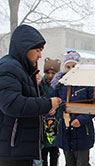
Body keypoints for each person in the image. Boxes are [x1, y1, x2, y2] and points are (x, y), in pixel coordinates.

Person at [0, 24, 62, 166]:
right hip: (11, 150)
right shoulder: (8, 68)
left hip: (21, 148)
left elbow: (31, 100)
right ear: (25, 47)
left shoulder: (24, 70)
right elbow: (12, 104)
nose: (40, 55)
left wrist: (47, 105)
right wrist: (47, 104)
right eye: (38, 50)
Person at [50, 50, 95, 166]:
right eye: (68, 67)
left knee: (82, 163)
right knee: (69, 162)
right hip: (65, 131)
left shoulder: (88, 83)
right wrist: (53, 108)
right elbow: (52, 101)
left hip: (83, 131)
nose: (71, 69)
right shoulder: (59, 84)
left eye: (74, 66)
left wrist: (82, 119)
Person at [41, 58, 61, 166]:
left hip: (55, 120)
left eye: (53, 73)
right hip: (43, 120)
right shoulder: (40, 83)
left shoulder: (59, 85)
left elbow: (62, 100)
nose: (50, 75)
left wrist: (56, 107)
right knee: (43, 151)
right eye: (48, 72)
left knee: (54, 150)